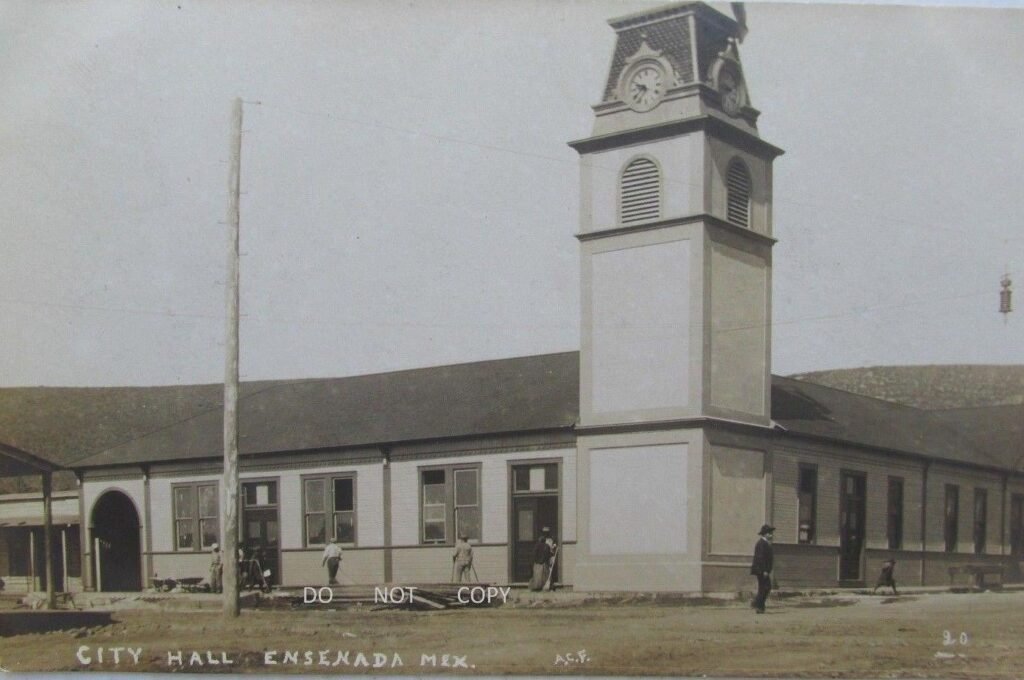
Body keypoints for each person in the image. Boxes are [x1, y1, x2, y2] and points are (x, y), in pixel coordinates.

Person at [750, 524, 775, 613]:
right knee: (766, 587)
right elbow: (760, 558)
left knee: (764, 587)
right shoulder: (761, 543)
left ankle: (759, 605)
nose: (771, 535)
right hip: (761, 569)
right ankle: (757, 604)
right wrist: (764, 570)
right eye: (769, 533)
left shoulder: (766, 543)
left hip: (763, 570)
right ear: (764, 534)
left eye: (771, 533)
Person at [530, 527, 553, 591]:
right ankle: (543, 585)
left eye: (546, 533)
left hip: (539, 562)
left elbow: (534, 554)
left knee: (538, 574)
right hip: (543, 562)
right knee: (544, 574)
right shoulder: (546, 545)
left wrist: (535, 561)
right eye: (544, 533)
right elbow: (548, 554)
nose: (545, 534)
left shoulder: (548, 541)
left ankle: (538, 586)